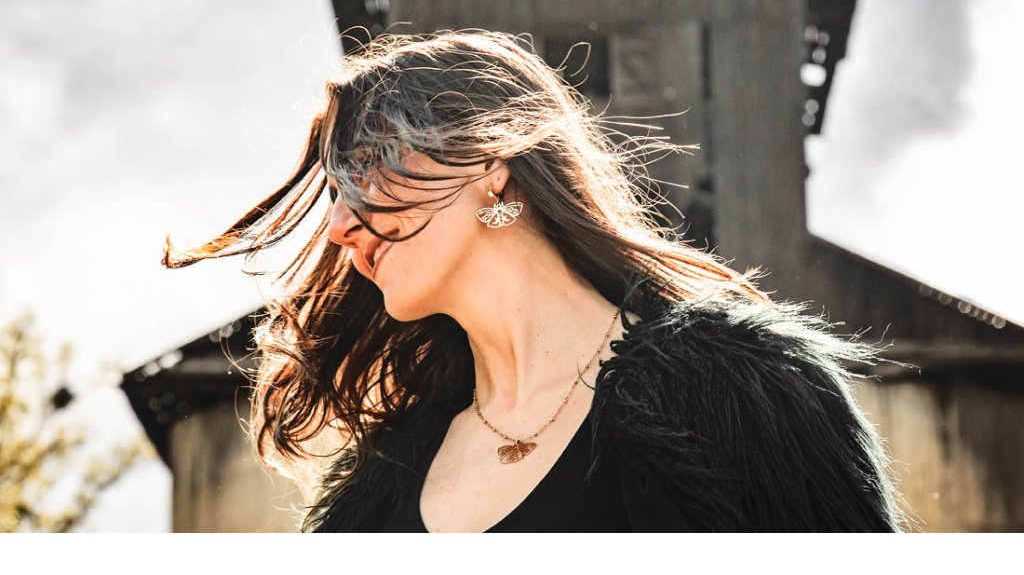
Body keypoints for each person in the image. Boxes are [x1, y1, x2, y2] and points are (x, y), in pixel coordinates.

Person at [162, 28, 912, 533]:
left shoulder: (744, 396)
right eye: (335, 195)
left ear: (489, 163)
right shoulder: (371, 504)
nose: (338, 227)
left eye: (363, 170)